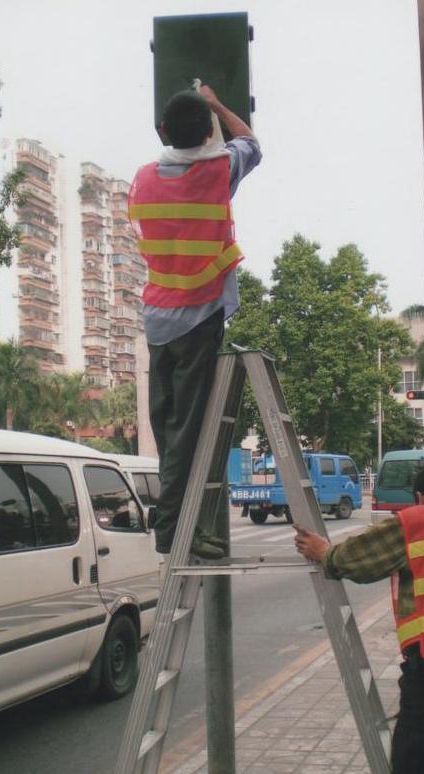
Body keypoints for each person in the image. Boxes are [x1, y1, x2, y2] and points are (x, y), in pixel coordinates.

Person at [293, 462, 424, 774]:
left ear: (422, 496)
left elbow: (363, 560)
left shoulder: (420, 520)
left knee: (413, 730)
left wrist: (325, 553)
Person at [129, 86, 261, 558]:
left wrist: (201, 120)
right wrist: (217, 103)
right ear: (209, 132)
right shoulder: (218, 170)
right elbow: (251, 142)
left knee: (165, 426)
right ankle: (174, 530)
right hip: (199, 316)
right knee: (187, 430)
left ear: (162, 130)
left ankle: (172, 519)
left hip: (157, 320)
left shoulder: (142, 179)